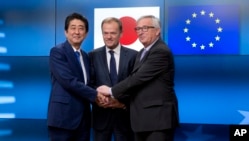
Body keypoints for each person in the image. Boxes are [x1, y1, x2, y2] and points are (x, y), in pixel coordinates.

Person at [97, 15, 179, 141]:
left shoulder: (160, 51)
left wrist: (111, 91)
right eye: (138, 29)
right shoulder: (142, 52)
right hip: (142, 120)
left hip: (158, 120)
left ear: (157, 30)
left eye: (145, 28)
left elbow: (138, 78)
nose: (140, 32)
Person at [47, 12, 104, 141]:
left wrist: (103, 95)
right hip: (62, 119)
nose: (77, 32)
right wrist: (95, 95)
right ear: (66, 32)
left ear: (86, 33)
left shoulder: (85, 56)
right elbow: (68, 81)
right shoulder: (57, 52)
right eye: (73, 28)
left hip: (83, 120)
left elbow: (87, 83)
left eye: (81, 28)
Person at [89, 17, 138, 141]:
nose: (109, 36)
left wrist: (121, 103)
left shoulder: (134, 55)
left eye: (113, 33)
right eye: (105, 33)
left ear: (121, 34)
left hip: (124, 117)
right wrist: (99, 97)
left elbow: (135, 84)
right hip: (101, 116)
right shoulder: (92, 55)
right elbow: (89, 83)